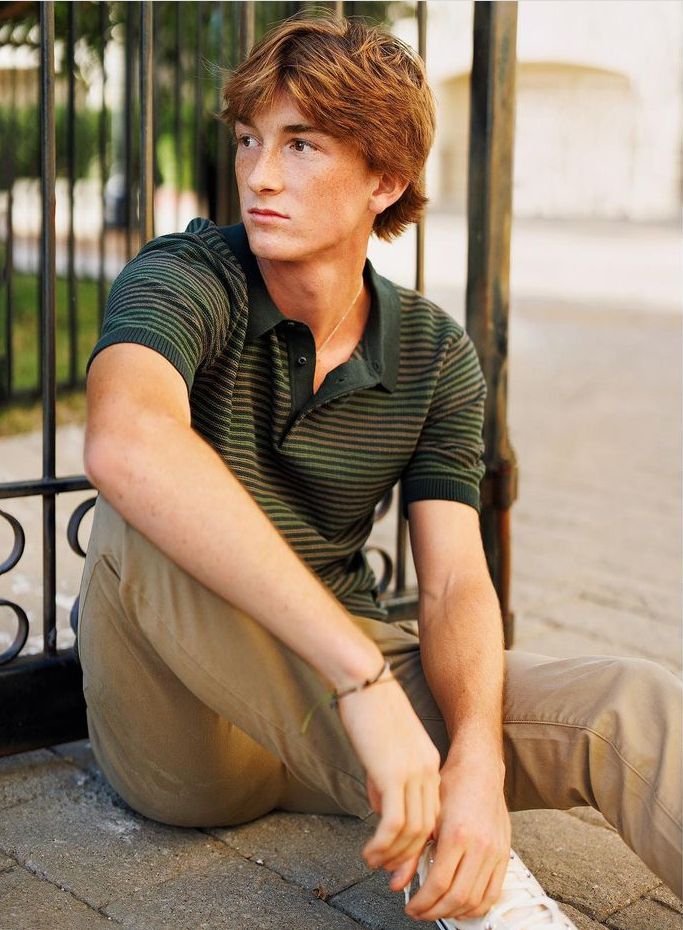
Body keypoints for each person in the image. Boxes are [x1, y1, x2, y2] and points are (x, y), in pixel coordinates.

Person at [77, 14, 682, 929]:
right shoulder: (185, 276)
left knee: (634, 705)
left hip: (354, 714)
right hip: (190, 735)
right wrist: (363, 686)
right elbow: (124, 443)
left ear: (385, 180)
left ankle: (443, 804)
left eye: (302, 145)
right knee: (139, 508)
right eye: (250, 141)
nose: (260, 175)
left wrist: (475, 757)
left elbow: (450, 586)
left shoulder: (435, 353)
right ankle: (475, 878)